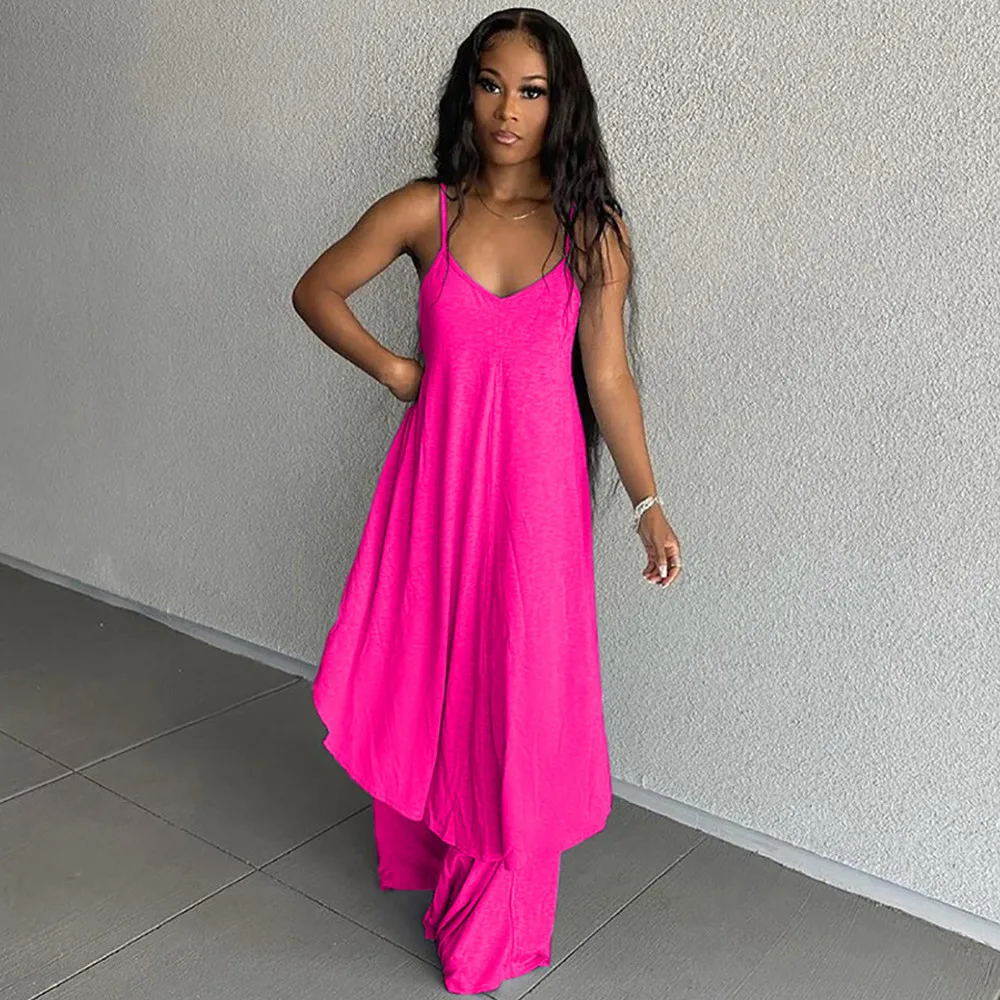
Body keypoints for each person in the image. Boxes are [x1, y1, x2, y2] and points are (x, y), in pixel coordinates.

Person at [291, 8, 682, 994]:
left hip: (537, 510)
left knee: (520, 688)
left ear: (560, 106)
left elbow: (609, 378)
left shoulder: (590, 230)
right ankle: (437, 849)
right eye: (493, 83)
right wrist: (396, 370)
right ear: (468, 92)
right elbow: (316, 289)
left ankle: (496, 913)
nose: (509, 109)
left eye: (532, 91)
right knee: (435, 668)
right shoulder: (425, 211)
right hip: (437, 491)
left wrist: (648, 503)